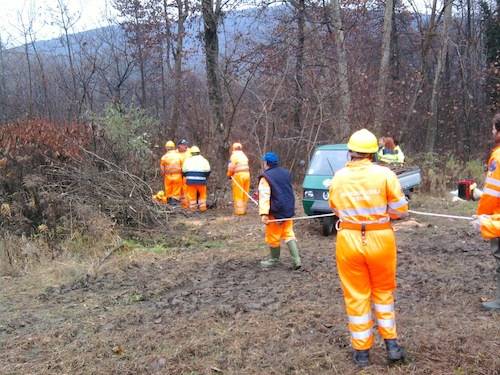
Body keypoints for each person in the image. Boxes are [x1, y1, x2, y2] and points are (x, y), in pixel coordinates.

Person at [328, 129, 408, 367]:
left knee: (356, 295)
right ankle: (392, 345)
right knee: (383, 293)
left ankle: (362, 353)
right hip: (381, 239)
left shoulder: (339, 177)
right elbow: (400, 210)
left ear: (350, 152)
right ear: (374, 152)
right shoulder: (385, 175)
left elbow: (334, 207)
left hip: (349, 239)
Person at [472, 113, 500, 310]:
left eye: (493, 128)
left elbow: (492, 192)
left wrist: (484, 216)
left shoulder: (498, 157)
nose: (491, 132)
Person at [258, 152, 301, 270]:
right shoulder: (286, 173)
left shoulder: (265, 177)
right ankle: (296, 260)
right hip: (288, 209)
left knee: (273, 236)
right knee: (288, 233)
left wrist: (264, 214)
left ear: (266, 163)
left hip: (275, 212)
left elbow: (264, 196)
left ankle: (274, 259)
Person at [182, 146, 211, 212]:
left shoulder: (187, 160)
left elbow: (183, 171)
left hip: (190, 181)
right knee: (202, 194)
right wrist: (205, 177)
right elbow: (208, 170)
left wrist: (187, 176)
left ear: (191, 153)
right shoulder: (204, 160)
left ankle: (193, 209)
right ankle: (202, 208)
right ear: (199, 152)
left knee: (192, 195)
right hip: (201, 181)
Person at [227, 142, 251, 215]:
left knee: (238, 193)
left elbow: (231, 167)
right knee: (245, 192)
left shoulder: (234, 156)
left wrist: (229, 175)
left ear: (233, 148)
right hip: (247, 175)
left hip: (238, 175)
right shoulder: (244, 155)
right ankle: (244, 209)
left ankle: (239, 211)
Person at [177, 139, 192, 208]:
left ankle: (187, 205)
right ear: (179, 146)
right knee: (179, 190)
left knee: (187, 190)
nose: (185, 146)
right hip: (178, 174)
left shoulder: (190, 151)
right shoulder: (175, 153)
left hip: (188, 173)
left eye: (186, 144)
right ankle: (181, 205)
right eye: (183, 145)